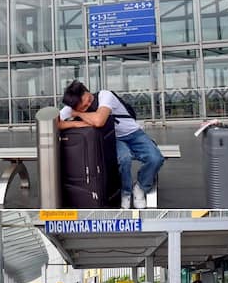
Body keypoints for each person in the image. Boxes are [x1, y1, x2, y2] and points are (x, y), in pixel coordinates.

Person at [58, 80, 164, 209]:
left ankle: (140, 187)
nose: (89, 104)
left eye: (89, 101)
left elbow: (99, 121)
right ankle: (125, 193)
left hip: (134, 133)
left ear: (86, 91)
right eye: (84, 107)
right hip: (114, 138)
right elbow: (57, 123)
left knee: (155, 158)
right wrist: (76, 123)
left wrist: (79, 114)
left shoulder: (105, 95)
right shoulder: (71, 107)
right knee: (123, 159)